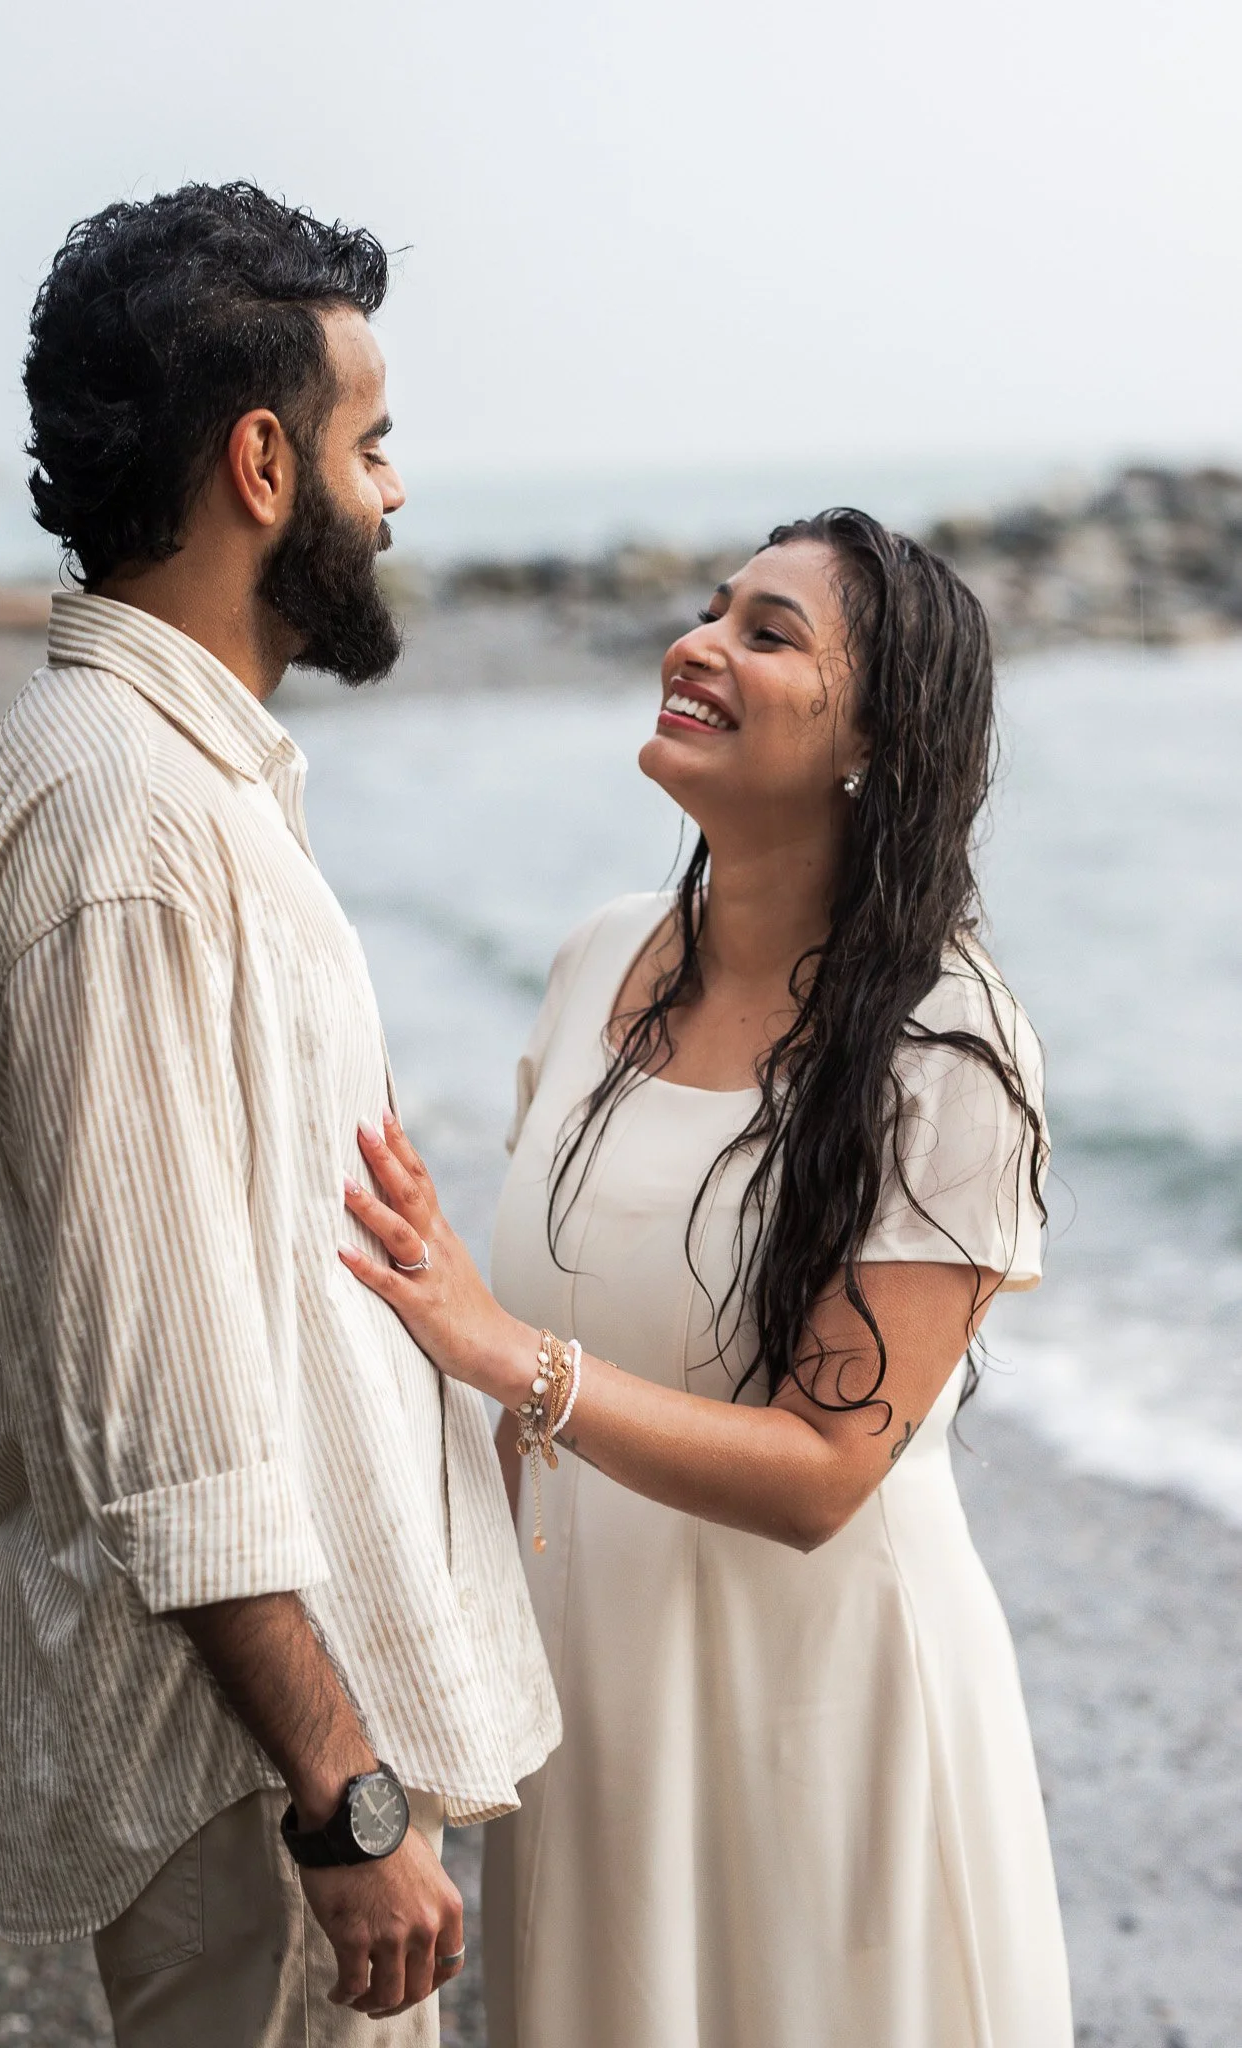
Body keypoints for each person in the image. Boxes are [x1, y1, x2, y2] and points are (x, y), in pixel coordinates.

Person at [0, 182, 559, 2048]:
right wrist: (346, 1797)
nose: (395, 495)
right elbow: (165, 1397)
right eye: (374, 445)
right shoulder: (126, 820)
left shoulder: (183, 779)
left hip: (275, 1763)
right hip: (253, 1783)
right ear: (265, 463)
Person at [341, 509, 1075, 2047]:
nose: (699, 643)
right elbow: (512, 1353)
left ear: (874, 736)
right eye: (712, 609)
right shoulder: (600, 955)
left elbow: (826, 1473)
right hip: (594, 1711)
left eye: (769, 633)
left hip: (824, 1727)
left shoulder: (949, 1037)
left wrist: (503, 1355)